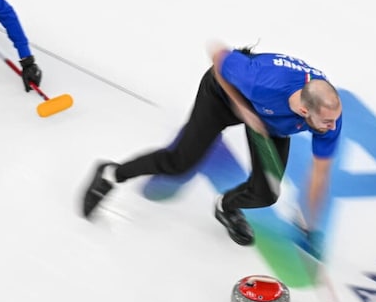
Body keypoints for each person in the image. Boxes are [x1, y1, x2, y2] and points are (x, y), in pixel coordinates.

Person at [81, 42, 342, 246]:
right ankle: (111, 174)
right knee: (179, 163)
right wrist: (244, 110)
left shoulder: (328, 113)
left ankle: (225, 207)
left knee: (266, 193)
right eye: (327, 122)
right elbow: (218, 54)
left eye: (334, 120)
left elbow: (320, 172)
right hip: (223, 97)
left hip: (270, 121)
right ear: (305, 111)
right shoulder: (262, 81)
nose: (333, 127)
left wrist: (310, 221)